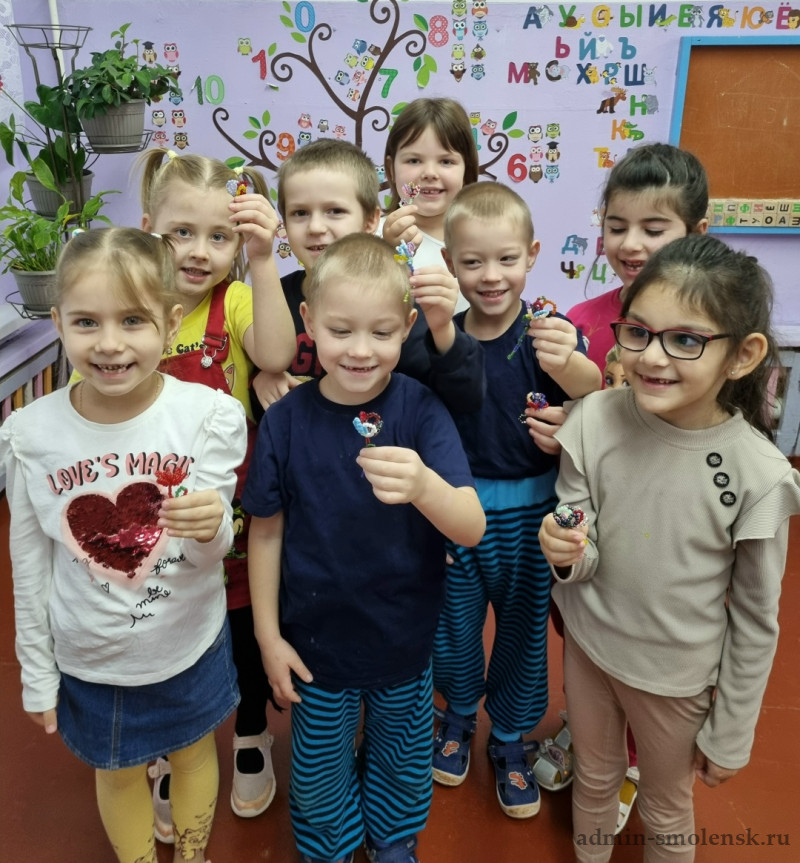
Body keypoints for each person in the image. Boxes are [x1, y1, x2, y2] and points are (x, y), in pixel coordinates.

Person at [539, 233, 800, 863]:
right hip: (590, 651)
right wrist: (566, 550)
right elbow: (579, 537)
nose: (652, 357)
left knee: (664, 807)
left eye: (685, 340)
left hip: (676, 683)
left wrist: (731, 732)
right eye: (638, 332)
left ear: (743, 355)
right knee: (595, 780)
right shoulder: (593, 419)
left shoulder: (759, 477)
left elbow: (756, 619)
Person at [0, 228, 248, 863]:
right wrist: (37, 674)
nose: (109, 344)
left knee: (194, 755)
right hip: (94, 658)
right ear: (58, 322)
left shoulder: (208, 416)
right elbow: (29, 565)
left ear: (170, 322)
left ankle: (191, 855)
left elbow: (211, 554)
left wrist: (212, 526)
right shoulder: (29, 434)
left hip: (188, 644)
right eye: (87, 321)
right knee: (115, 773)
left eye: (132, 320)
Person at [243, 233, 486, 863]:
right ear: (308, 321)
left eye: (381, 333)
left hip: (404, 638)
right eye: (340, 330)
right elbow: (265, 531)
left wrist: (426, 486)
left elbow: (471, 527)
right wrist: (268, 638)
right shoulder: (285, 421)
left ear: (407, 327)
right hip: (314, 644)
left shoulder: (421, 410)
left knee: (401, 758)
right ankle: (328, 847)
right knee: (318, 769)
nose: (359, 350)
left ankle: (393, 841)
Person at [431, 182, 602, 819]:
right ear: (449, 263)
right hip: (456, 514)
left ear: (531, 255)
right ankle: (456, 716)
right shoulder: (440, 338)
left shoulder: (548, 332)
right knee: (452, 629)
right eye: (473, 261)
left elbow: (593, 391)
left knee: (526, 635)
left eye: (506, 258)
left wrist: (570, 372)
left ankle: (508, 736)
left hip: (532, 517)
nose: (490, 275)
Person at [137, 149, 295, 836]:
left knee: (241, 629)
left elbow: (276, 354)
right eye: (182, 232)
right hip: (149, 517)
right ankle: (177, 742)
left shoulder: (233, 301)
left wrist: (263, 259)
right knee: (162, 631)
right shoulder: (134, 303)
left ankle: (251, 731)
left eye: (220, 236)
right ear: (149, 228)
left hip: (232, 512)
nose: (200, 252)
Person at [251, 137, 484, 416]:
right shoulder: (272, 298)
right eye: (300, 213)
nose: (315, 227)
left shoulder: (397, 299)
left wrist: (444, 330)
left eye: (335, 211)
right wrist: (260, 378)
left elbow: (462, 399)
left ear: (371, 220)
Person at [566, 143, 709, 372]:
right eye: (617, 229)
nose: (629, 244)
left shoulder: (710, 325)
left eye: (653, 231)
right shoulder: (579, 322)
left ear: (695, 234)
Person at [379, 97, 480, 313]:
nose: (430, 173)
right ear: (391, 168)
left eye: (446, 161)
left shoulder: (483, 242)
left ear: (467, 170)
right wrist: (385, 256)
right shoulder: (369, 237)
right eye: (414, 160)